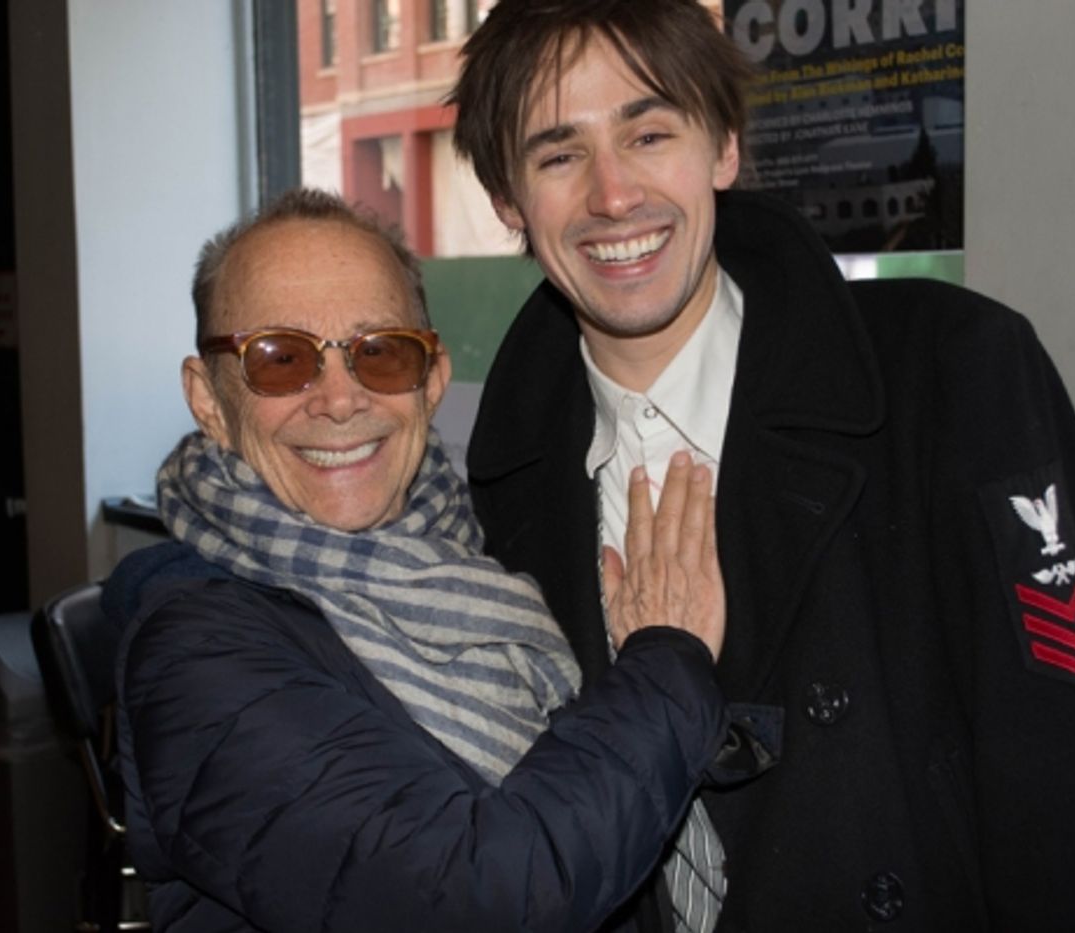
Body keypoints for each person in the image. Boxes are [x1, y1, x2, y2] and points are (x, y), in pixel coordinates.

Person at [447, 1, 1075, 930]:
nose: (613, 194)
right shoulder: (492, 499)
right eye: (558, 155)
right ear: (509, 201)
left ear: (724, 148)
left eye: (650, 131)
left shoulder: (953, 373)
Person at [104, 187, 761, 932]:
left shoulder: (472, 561)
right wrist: (667, 660)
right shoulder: (196, 655)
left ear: (432, 379)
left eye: (379, 353)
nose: (340, 399)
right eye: (281, 359)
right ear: (210, 399)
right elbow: (477, 895)